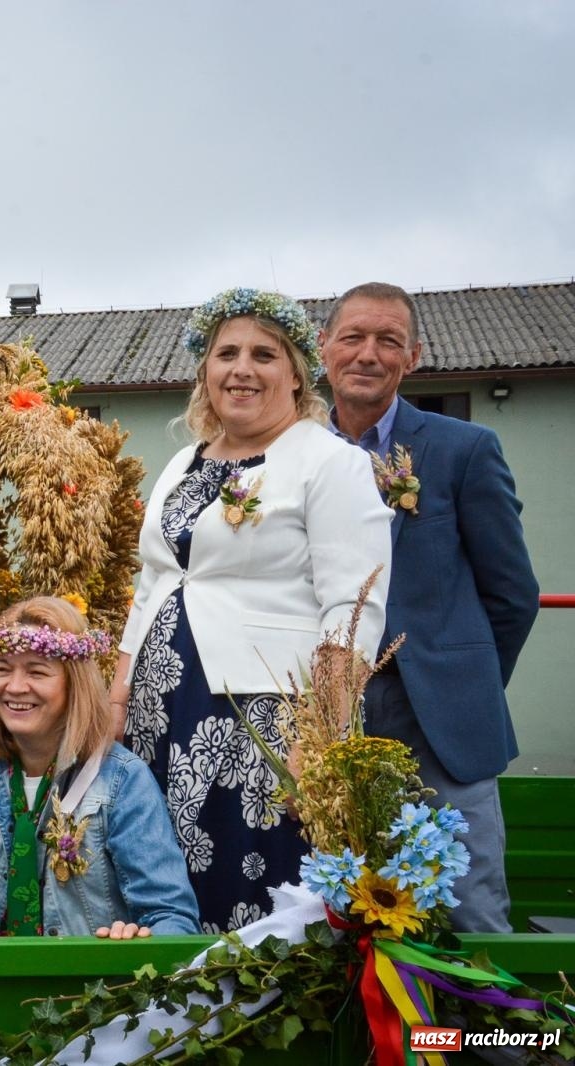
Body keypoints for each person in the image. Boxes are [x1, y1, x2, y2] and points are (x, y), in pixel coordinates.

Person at [109, 288, 392, 933]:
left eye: (264, 354)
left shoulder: (331, 463)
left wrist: (319, 735)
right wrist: (119, 694)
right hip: (163, 710)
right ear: (205, 370)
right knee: (162, 872)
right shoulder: (185, 462)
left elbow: (354, 605)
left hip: (262, 719)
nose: (242, 369)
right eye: (226, 353)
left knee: (253, 878)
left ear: (296, 372)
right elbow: (156, 576)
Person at [322, 282, 538, 932]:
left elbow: (513, 594)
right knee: (338, 905)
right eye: (353, 336)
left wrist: (460, 679)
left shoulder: (464, 450)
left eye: (388, 341)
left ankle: (493, 1038)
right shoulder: (295, 454)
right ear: (324, 348)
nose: (368, 354)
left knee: (468, 909)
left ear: (412, 356)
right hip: (331, 715)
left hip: (443, 720)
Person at [0, 597, 199, 939]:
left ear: (74, 682)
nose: (14, 687)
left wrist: (133, 942)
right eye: (0, 668)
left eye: (37, 671)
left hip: (92, 987)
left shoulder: (121, 779)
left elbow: (171, 916)